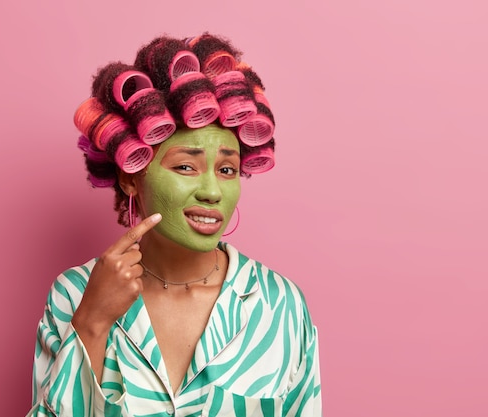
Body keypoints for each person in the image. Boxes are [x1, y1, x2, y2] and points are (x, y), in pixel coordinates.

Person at [28, 33, 321, 417]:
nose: (212, 192)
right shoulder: (74, 296)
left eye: (227, 169)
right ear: (131, 175)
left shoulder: (278, 304)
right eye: (186, 166)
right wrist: (93, 323)